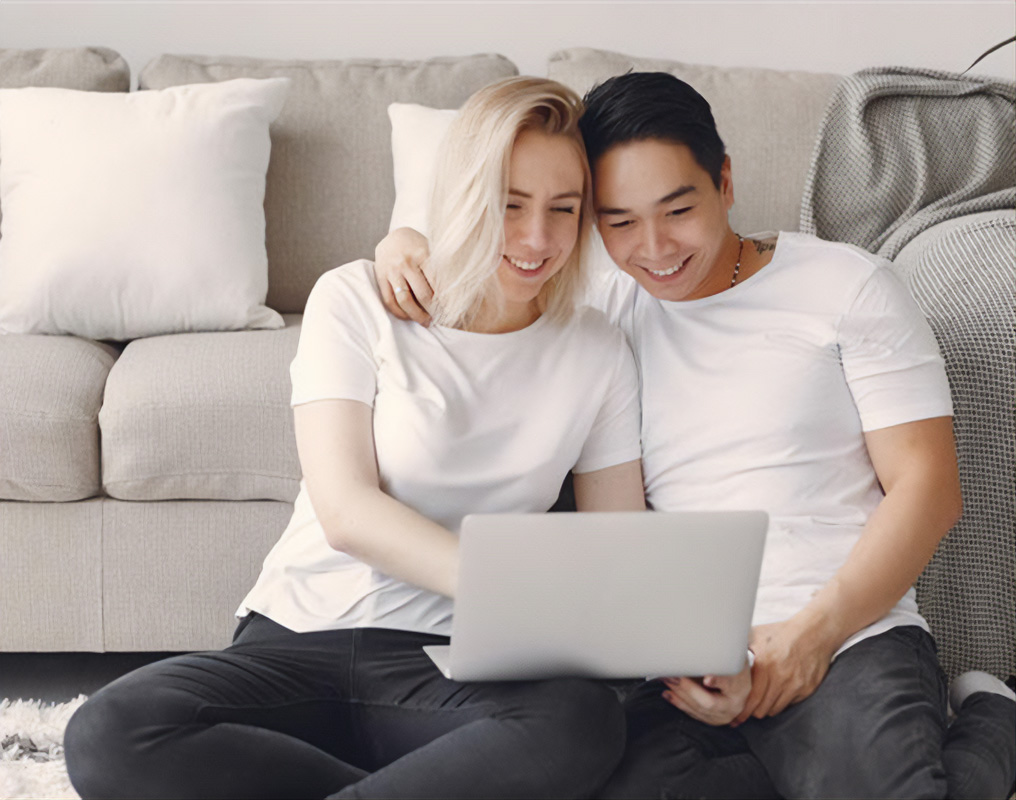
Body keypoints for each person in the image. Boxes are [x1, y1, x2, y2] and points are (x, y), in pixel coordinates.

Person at [373, 71, 1016, 799]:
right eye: (618, 221)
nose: (654, 248)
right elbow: (489, 252)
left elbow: (928, 487)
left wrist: (811, 637)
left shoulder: (849, 287)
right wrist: (402, 240)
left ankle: (991, 713)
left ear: (726, 181)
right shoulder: (598, 309)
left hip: (842, 633)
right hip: (683, 656)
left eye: (678, 209)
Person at [63, 76, 647, 800]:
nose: (537, 239)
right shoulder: (358, 298)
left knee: (582, 723)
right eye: (510, 204)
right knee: (110, 730)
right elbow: (347, 513)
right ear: (463, 197)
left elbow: (623, 542)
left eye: (564, 209)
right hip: (299, 637)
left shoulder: (597, 349)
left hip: (454, 666)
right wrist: (518, 591)